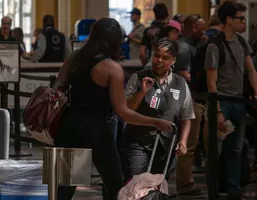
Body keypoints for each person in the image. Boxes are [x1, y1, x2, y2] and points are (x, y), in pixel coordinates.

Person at [53, 18, 173, 200]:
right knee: (114, 186)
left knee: (63, 190)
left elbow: (56, 89)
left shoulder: (74, 57)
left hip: (69, 127)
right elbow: (123, 112)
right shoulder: (112, 68)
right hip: (98, 132)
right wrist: (155, 122)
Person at [205, 1, 257, 200]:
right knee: (217, 149)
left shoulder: (242, 42)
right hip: (223, 104)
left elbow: (251, 71)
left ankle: (234, 191)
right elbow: (211, 82)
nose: (243, 22)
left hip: (238, 103)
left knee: (236, 149)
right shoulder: (214, 46)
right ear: (228, 20)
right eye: (240, 18)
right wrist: (218, 111)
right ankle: (214, 189)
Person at [121, 38, 194, 182]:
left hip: (166, 145)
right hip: (138, 142)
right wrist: (142, 92)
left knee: (158, 185)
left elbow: (186, 116)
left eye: (165, 58)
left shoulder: (180, 83)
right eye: (156, 55)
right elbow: (127, 110)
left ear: (173, 60)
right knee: (135, 183)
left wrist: (183, 141)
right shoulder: (138, 77)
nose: (159, 60)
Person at [174, 14, 207, 198]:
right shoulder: (184, 47)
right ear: (193, 27)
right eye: (202, 28)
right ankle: (185, 184)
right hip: (190, 99)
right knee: (188, 144)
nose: (205, 32)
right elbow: (184, 74)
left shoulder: (196, 45)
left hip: (196, 97)